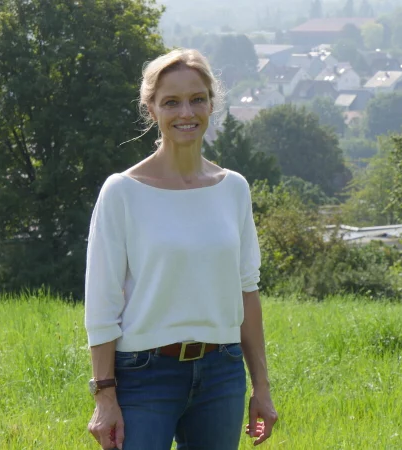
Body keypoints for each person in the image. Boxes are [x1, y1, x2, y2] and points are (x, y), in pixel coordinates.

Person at [83, 48, 277, 450]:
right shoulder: (122, 192)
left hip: (221, 375)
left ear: (211, 104)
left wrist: (261, 386)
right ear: (151, 109)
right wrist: (104, 396)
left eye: (197, 99)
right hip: (143, 375)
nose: (186, 112)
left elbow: (247, 291)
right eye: (171, 101)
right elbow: (102, 304)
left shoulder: (234, 189)